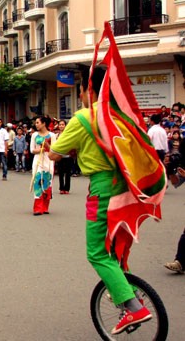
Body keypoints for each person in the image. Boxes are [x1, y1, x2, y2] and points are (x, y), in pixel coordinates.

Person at [49, 67, 153, 335]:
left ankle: (133, 307)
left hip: (102, 187)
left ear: (89, 90)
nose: (80, 94)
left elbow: (56, 154)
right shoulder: (121, 115)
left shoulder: (84, 117)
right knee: (117, 243)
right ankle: (125, 290)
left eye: (81, 90)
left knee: (96, 252)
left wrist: (61, 150)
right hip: (128, 186)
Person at [30, 116, 56, 215]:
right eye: (35, 123)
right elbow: (32, 149)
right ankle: (37, 208)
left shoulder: (52, 135)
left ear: (44, 123)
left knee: (47, 182)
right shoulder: (34, 135)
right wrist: (41, 149)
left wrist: (47, 146)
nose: (36, 124)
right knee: (37, 181)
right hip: (37, 161)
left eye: (37, 122)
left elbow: (54, 150)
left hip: (48, 161)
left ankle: (45, 206)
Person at [56, 119, 73, 194]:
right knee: (61, 173)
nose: (61, 126)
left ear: (65, 126)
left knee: (67, 174)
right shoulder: (56, 135)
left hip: (68, 156)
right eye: (60, 125)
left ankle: (67, 189)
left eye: (63, 124)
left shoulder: (69, 135)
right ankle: (61, 188)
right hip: (60, 157)